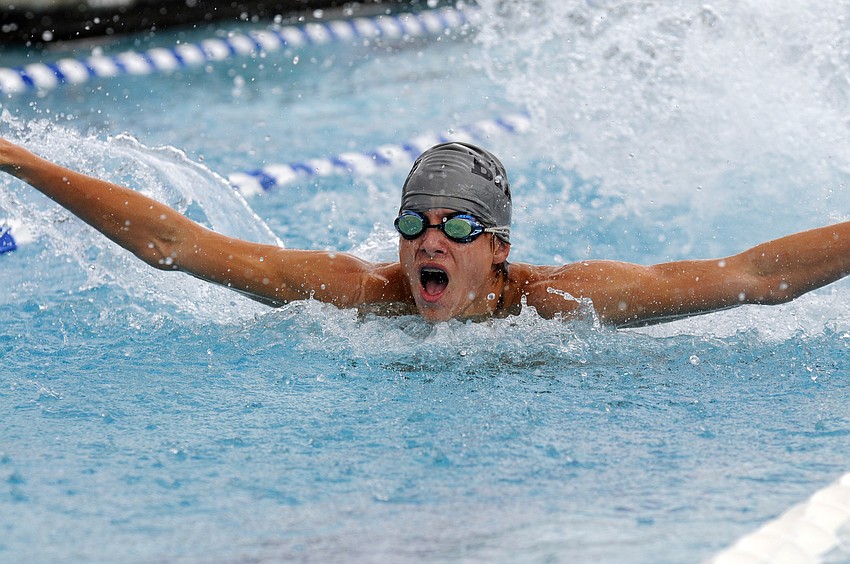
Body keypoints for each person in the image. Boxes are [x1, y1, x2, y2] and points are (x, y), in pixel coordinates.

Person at [2, 136, 850, 327]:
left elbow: (750, 278)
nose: (428, 243)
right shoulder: (364, 297)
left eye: (456, 227)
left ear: (499, 248)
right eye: (413, 224)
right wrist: (17, 161)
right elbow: (179, 248)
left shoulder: (560, 304)